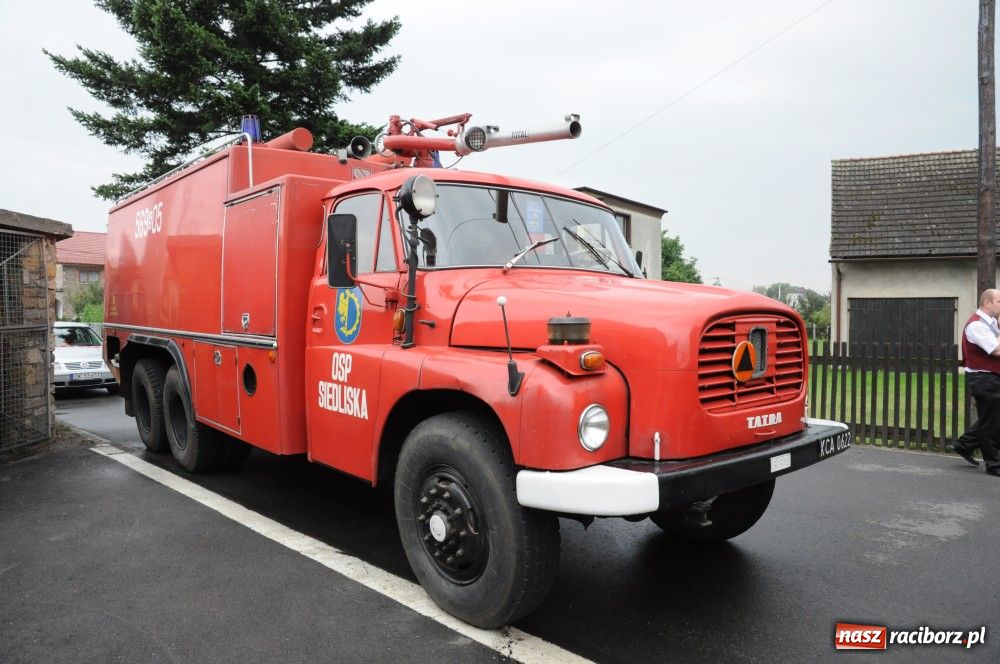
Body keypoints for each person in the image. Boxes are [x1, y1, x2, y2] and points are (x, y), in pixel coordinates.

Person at [954, 289, 1000, 477]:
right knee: (992, 423)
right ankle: (993, 464)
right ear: (987, 303)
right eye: (999, 301)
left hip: (991, 377)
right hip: (984, 379)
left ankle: (964, 444)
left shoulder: (991, 324)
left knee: (991, 419)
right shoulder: (976, 325)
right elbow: (997, 350)